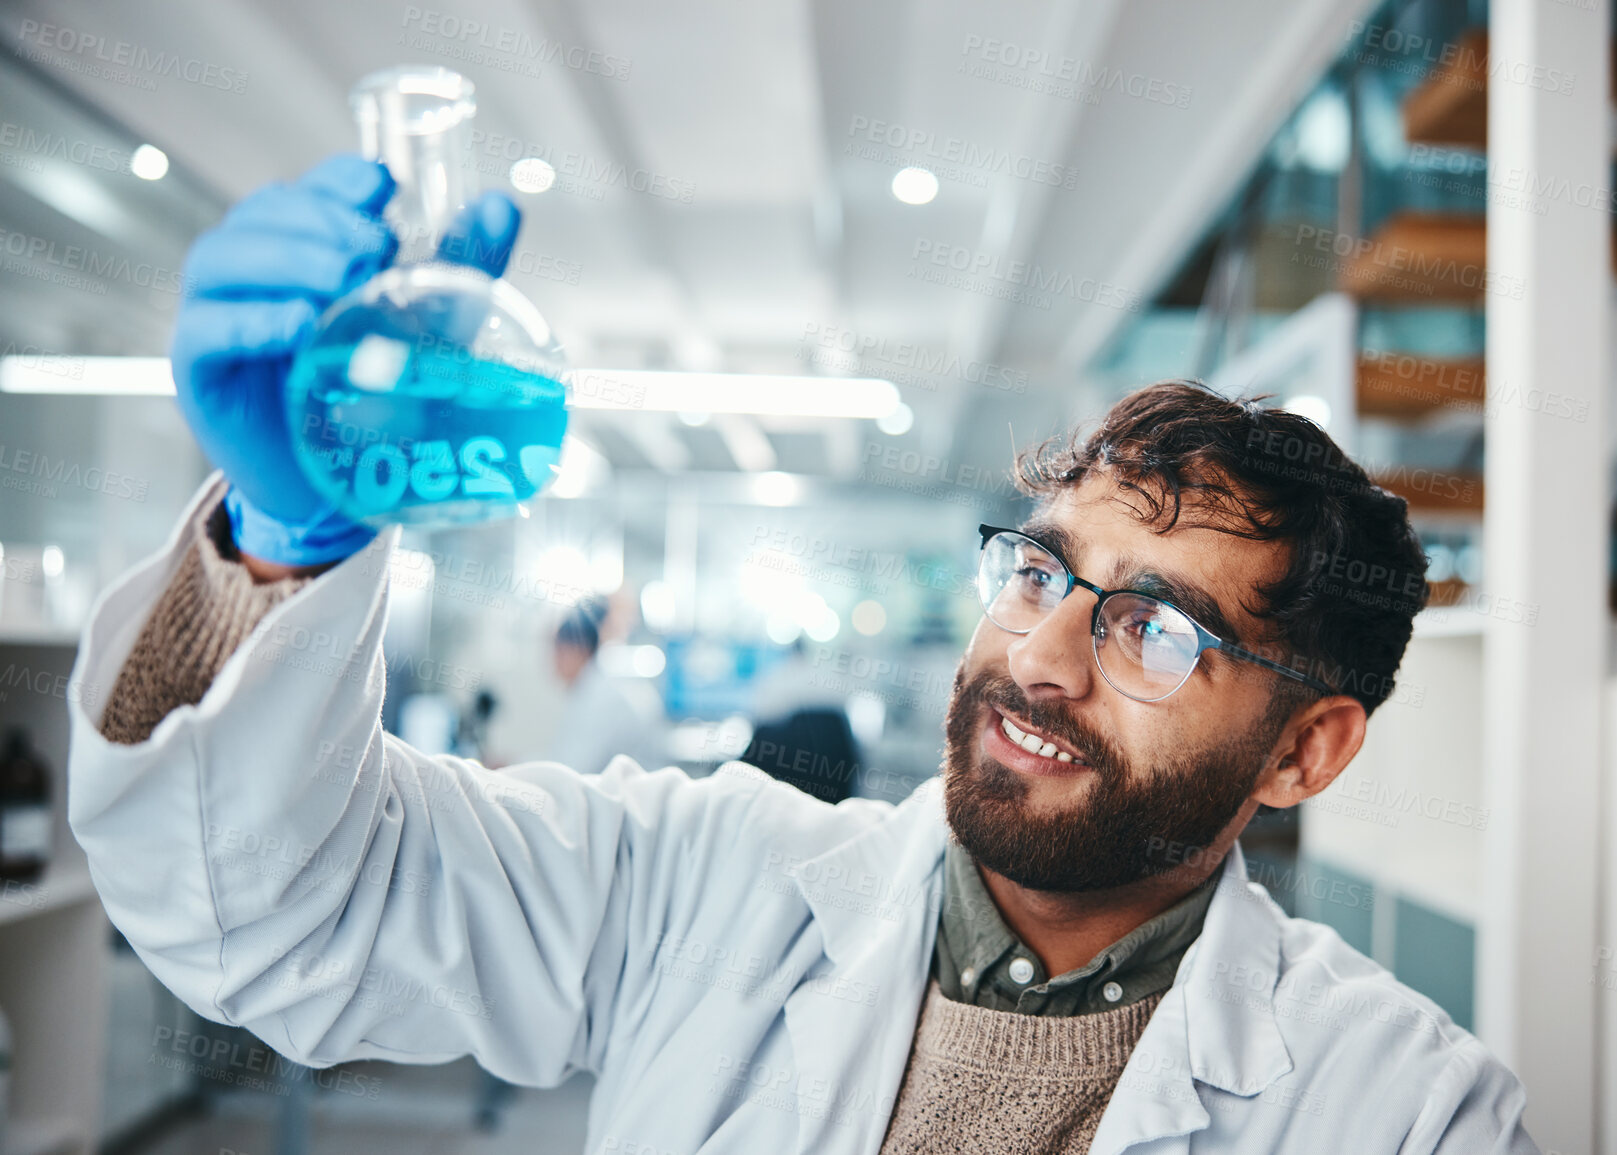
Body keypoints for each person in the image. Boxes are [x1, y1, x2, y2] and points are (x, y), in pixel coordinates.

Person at [67, 156, 1539, 1154]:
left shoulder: (1398, 1107)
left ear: (1304, 747)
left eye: (1152, 624)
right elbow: (275, 915)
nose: (1041, 654)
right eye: (1039, 571)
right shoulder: (696, 875)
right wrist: (281, 546)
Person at [546, 597, 667, 777]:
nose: (553, 661)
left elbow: (573, 770)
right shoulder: (594, 688)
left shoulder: (602, 699)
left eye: (558, 650)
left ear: (578, 648)